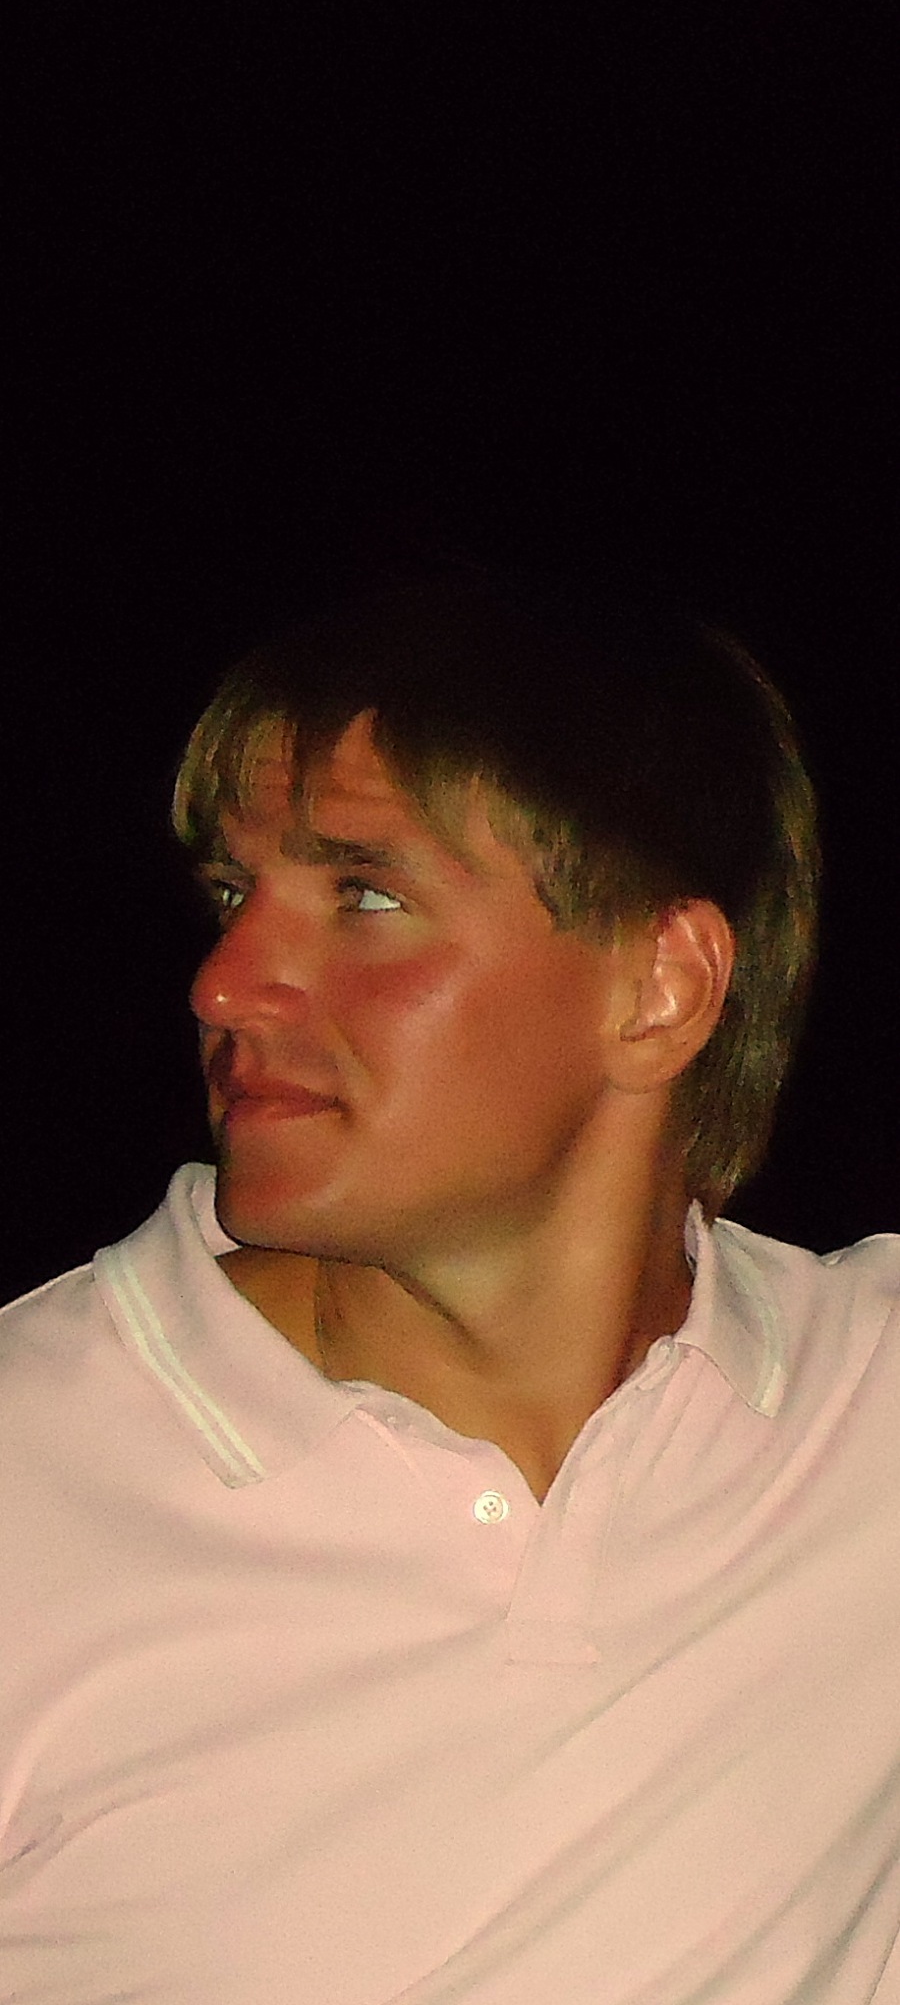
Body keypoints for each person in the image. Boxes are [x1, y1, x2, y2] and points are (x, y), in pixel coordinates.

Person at [1, 565, 898, 2004]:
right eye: (233, 893)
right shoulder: (35, 1478)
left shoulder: (863, 1409)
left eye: (364, 894)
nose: (224, 983)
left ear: (661, 988)